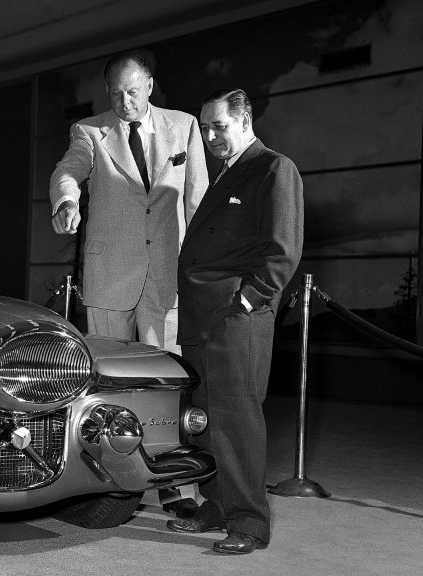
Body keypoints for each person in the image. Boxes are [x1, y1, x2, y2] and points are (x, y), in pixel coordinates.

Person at [49, 50, 208, 518]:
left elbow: (196, 199)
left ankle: (177, 488)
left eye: (132, 92)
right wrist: (65, 200)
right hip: (109, 276)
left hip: (165, 276)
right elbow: (68, 171)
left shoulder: (185, 127)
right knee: (105, 387)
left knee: (168, 385)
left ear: (151, 86)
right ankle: (104, 489)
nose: (124, 102)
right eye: (116, 94)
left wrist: (196, 269)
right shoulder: (90, 131)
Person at [168, 89, 304, 555]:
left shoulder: (272, 168)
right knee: (205, 419)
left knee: (237, 420)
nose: (209, 137)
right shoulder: (228, 174)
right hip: (202, 318)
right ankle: (217, 505)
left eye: (219, 127)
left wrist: (248, 301)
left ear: (244, 120)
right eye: (205, 129)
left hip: (234, 319)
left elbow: (283, 249)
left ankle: (249, 522)